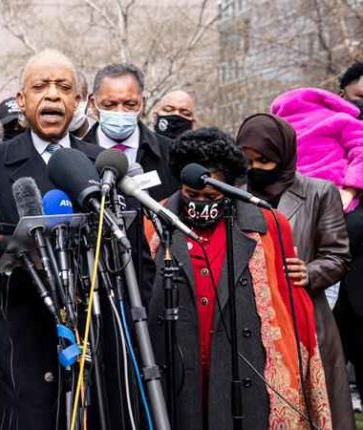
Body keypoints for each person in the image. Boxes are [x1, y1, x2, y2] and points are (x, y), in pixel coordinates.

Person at [0, 49, 106, 429]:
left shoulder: (101, 164)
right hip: (21, 335)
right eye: (40, 86)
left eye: (64, 87)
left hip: (93, 336)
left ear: (78, 101)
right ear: (22, 100)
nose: (52, 95)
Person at [146, 127, 331, 429]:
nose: (201, 203)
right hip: (176, 368)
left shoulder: (268, 223)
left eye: (212, 195)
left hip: (245, 370)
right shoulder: (153, 220)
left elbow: (288, 305)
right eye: (192, 194)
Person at [237, 113, 354, 429]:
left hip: (304, 316)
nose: (255, 169)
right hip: (252, 318)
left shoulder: (319, 192)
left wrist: (310, 272)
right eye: (247, 160)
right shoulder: (234, 193)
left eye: (264, 160)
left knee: (311, 403)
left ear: (283, 154)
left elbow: (338, 255)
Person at [270, 88, 363, 401]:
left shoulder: (322, 126)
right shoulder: (341, 120)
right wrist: (350, 189)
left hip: (307, 221)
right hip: (316, 221)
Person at [84, 63, 179, 200]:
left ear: (143, 103)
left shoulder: (171, 154)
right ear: (93, 104)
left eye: (130, 105)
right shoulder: (77, 156)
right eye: (110, 105)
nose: (120, 112)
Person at [69, 72, 94, 140]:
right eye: (68, 100)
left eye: (78, 98)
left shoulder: (100, 138)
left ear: (88, 100)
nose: (74, 105)